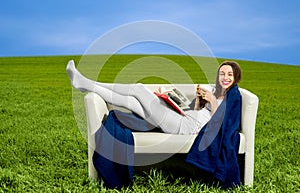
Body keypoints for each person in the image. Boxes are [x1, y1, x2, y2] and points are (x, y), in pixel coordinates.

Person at [66, 60, 242, 135]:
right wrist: (197, 102)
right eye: (222, 73)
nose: (225, 77)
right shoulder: (212, 88)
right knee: (131, 102)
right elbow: (196, 111)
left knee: (138, 89)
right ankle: (85, 84)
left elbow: (220, 126)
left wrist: (212, 101)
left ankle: (86, 83)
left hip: (186, 127)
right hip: (183, 116)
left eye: (229, 75)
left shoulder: (233, 97)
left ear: (235, 78)